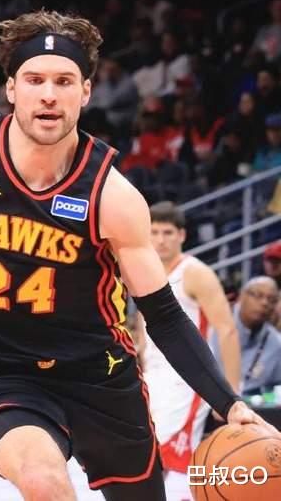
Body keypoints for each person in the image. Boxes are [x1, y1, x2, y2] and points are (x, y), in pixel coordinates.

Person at [0, 10, 276, 501]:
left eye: (63, 81)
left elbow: (164, 315)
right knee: (44, 482)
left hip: (99, 375)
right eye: (34, 79)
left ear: (86, 91)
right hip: (2, 374)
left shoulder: (111, 196)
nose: (48, 94)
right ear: (11, 89)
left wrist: (229, 403)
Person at [139, 201, 241, 497]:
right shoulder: (144, 269)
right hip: (152, 376)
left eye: (168, 232)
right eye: (154, 232)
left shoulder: (196, 272)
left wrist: (231, 394)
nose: (161, 239)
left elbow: (227, 329)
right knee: (144, 457)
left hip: (187, 379)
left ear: (182, 235)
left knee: (171, 460)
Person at [213, 276, 281, 395]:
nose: (265, 303)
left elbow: (276, 391)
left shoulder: (276, 343)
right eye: (258, 295)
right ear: (241, 296)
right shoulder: (213, 324)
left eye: (272, 300)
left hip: (251, 403)